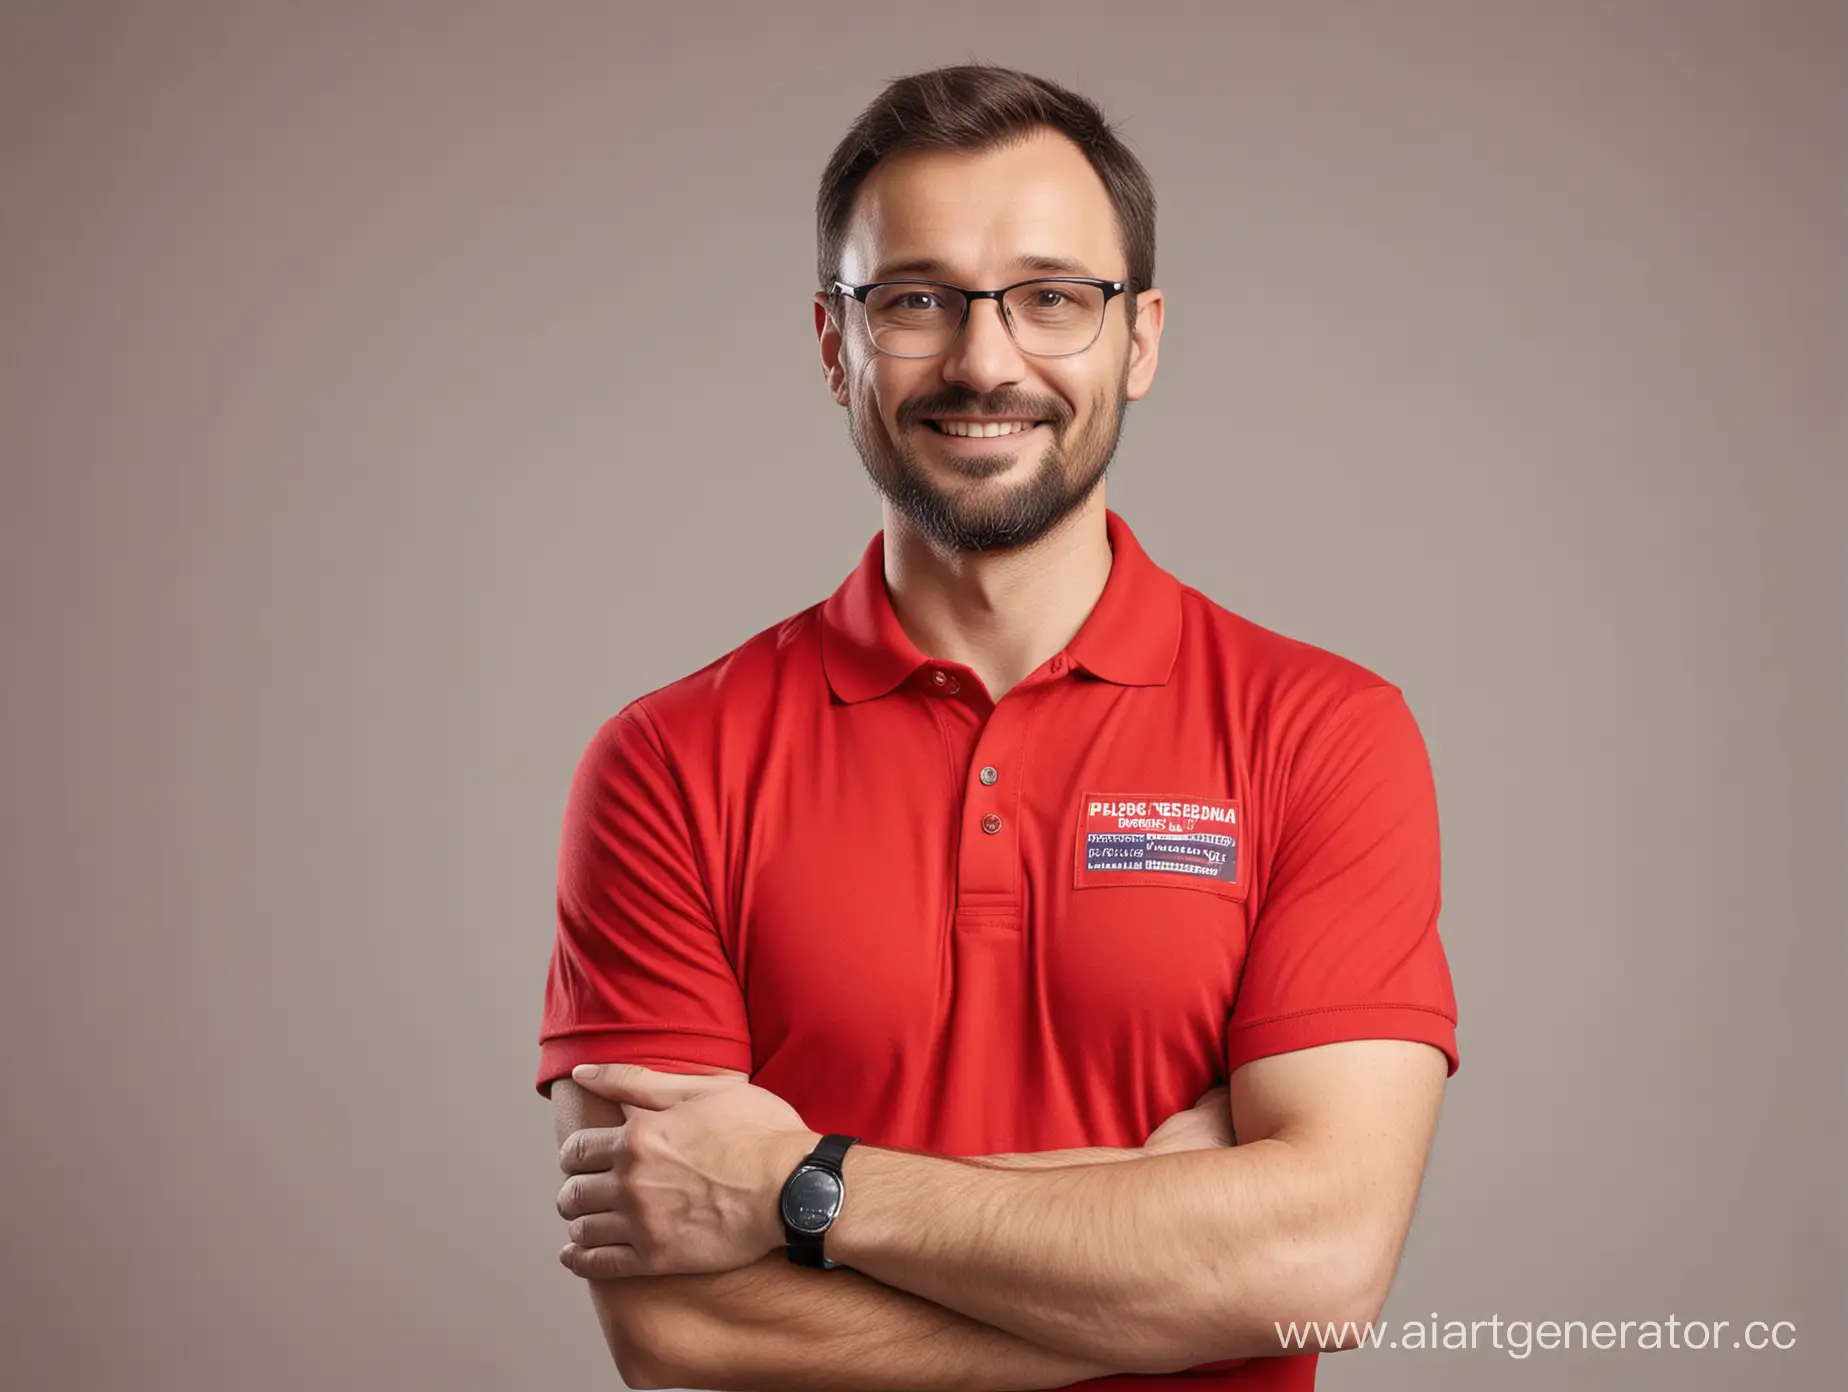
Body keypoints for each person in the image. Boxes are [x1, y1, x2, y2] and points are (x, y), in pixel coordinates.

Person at [537, 62, 1459, 1392]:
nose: (984, 360)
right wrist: (1158, 1237)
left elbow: (1318, 1271)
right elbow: (678, 1331)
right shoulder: (668, 764)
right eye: (916, 300)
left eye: (1052, 299)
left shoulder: (1321, 733)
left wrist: (805, 1185)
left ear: (1138, 338)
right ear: (831, 340)